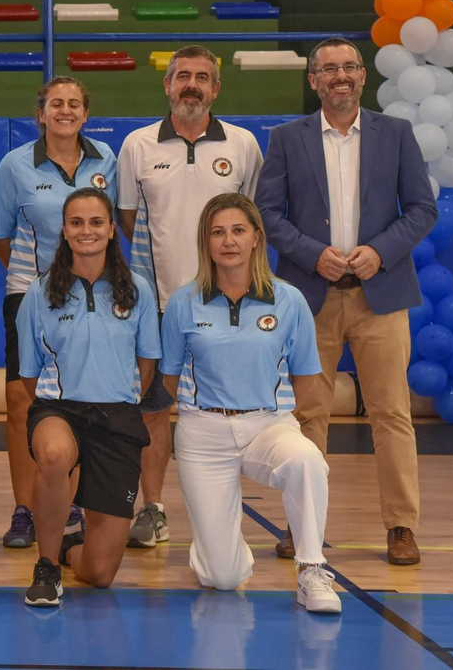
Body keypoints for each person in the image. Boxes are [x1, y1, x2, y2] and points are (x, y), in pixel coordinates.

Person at [256, 38, 437, 566]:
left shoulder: (396, 134)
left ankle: (401, 526)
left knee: (392, 415)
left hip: (381, 295)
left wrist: (379, 252)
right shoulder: (287, 138)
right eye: (328, 69)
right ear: (313, 80)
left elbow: (422, 210)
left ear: (363, 77)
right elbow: (269, 213)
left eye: (349, 67)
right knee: (308, 416)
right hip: (310, 297)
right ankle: (301, 525)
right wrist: (315, 256)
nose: (340, 76)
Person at [161, 193, 339, 614]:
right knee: (223, 579)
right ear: (205, 242)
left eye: (238, 230)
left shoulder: (289, 299)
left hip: (268, 425)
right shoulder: (183, 303)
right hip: (202, 434)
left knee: (306, 460)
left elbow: (308, 376)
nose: (229, 241)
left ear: (257, 237)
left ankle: (312, 569)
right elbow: (167, 379)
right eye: (217, 232)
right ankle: (219, 547)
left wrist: (285, 419)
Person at [115, 46, 262, 550]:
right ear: (168, 86)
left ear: (217, 89)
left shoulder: (243, 145)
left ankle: (219, 520)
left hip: (228, 305)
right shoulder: (137, 145)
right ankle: (152, 509)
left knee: (226, 409)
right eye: (182, 77)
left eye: (202, 77)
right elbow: (130, 221)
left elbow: (249, 224)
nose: (191, 85)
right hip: (158, 305)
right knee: (154, 409)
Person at [0, 75, 116, 551]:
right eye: (55, 103)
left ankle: (72, 502)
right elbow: (0, 231)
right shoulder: (14, 165)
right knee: (21, 400)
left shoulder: (106, 159)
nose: (64, 111)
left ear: (85, 113)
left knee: (81, 395)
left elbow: (113, 225)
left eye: (74, 103)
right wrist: (40, 280)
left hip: (94, 294)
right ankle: (25, 508)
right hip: (31, 294)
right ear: (40, 114)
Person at [18, 188, 160, 608]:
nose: (86, 231)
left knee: (99, 575)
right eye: (76, 222)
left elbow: (147, 363)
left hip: (117, 419)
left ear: (112, 229)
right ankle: (46, 566)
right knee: (55, 454)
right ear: (63, 231)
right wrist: (57, 406)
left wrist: (121, 395)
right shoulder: (39, 292)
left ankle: (69, 549)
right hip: (59, 410)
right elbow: (29, 374)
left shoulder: (138, 290)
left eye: (96, 222)